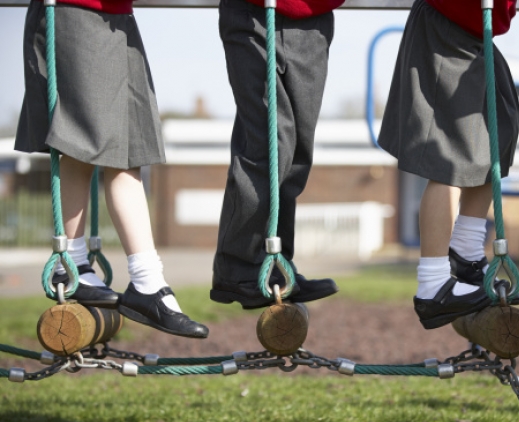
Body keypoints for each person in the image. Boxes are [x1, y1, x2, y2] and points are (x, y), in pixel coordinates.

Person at [15, 0, 209, 339]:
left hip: (119, 17)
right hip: (77, 10)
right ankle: (69, 263)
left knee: (130, 152)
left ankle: (148, 281)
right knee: (80, 143)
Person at [378, 0, 519, 330]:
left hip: (477, 30)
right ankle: (432, 285)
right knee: (448, 154)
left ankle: (466, 249)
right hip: (448, 22)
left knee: (498, 128)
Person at [210, 0, 344, 310]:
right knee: (271, 144)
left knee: (298, 151)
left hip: (315, 18)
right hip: (255, 12)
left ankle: (277, 263)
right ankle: (238, 267)